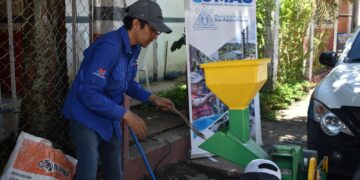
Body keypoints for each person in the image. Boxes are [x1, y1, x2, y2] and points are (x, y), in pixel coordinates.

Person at [61, 0, 175, 179]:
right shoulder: (110, 47)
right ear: (136, 23)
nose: (155, 36)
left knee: (114, 171)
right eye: (153, 30)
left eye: (157, 32)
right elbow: (88, 93)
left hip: (109, 117)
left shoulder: (134, 48)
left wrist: (153, 98)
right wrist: (127, 115)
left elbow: (127, 83)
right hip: (85, 116)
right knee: (88, 173)